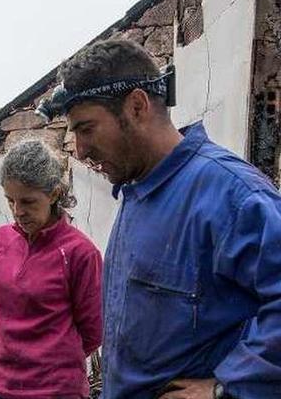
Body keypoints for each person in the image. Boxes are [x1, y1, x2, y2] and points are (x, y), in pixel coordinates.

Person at [47, 39, 281, 398]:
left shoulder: (232, 196)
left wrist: (228, 386)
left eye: (86, 128)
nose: (80, 149)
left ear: (137, 106)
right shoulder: (137, 189)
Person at [0, 139, 103, 399]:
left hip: (54, 392)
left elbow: (94, 331)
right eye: (10, 201)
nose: (17, 211)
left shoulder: (80, 253)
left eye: (28, 202)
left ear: (54, 194)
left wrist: (48, 362)